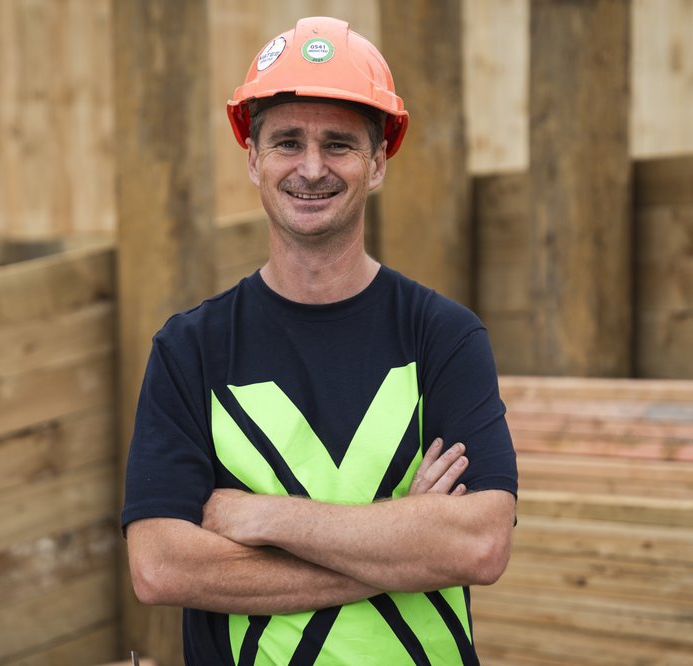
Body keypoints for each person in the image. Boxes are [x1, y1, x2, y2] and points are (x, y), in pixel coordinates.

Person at [121, 16, 518, 666]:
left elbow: (478, 545)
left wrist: (267, 519)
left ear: (377, 162)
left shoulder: (443, 336)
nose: (311, 168)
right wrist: (407, 546)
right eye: (287, 142)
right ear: (253, 159)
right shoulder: (190, 350)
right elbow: (160, 567)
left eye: (338, 144)